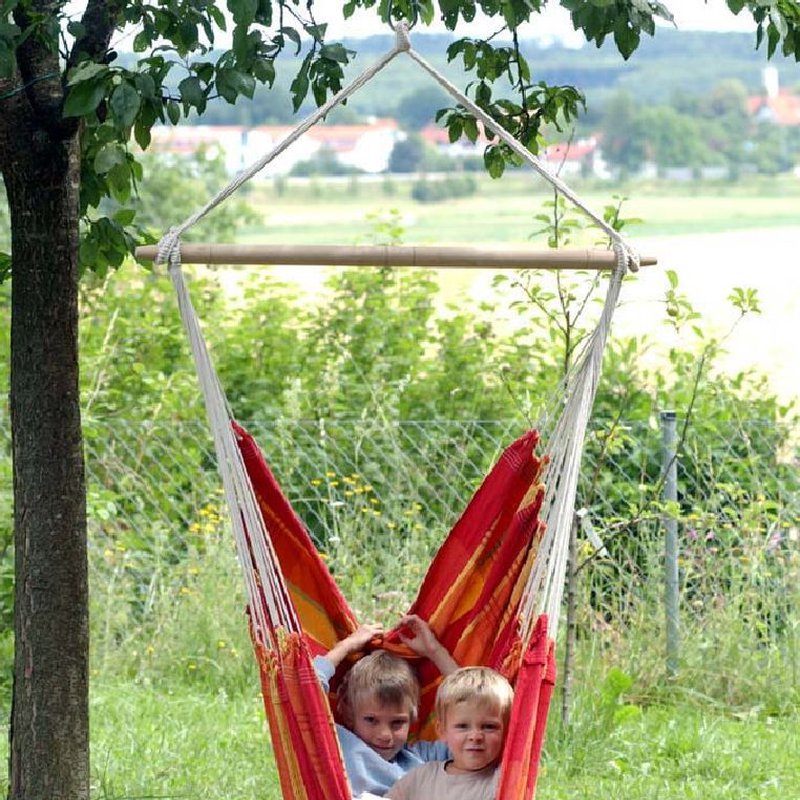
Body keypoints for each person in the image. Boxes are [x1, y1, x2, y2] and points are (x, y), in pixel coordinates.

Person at [314, 614, 459, 797]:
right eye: (371, 720)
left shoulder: (422, 758)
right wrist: (347, 645)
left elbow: (478, 709)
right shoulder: (340, 745)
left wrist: (435, 651)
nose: (384, 735)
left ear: (413, 718)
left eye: (397, 722)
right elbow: (305, 690)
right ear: (350, 714)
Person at [385, 666, 514, 800]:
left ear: (507, 731)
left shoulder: (502, 782)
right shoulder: (421, 776)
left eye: (489, 726)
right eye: (463, 726)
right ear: (442, 731)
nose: (475, 736)